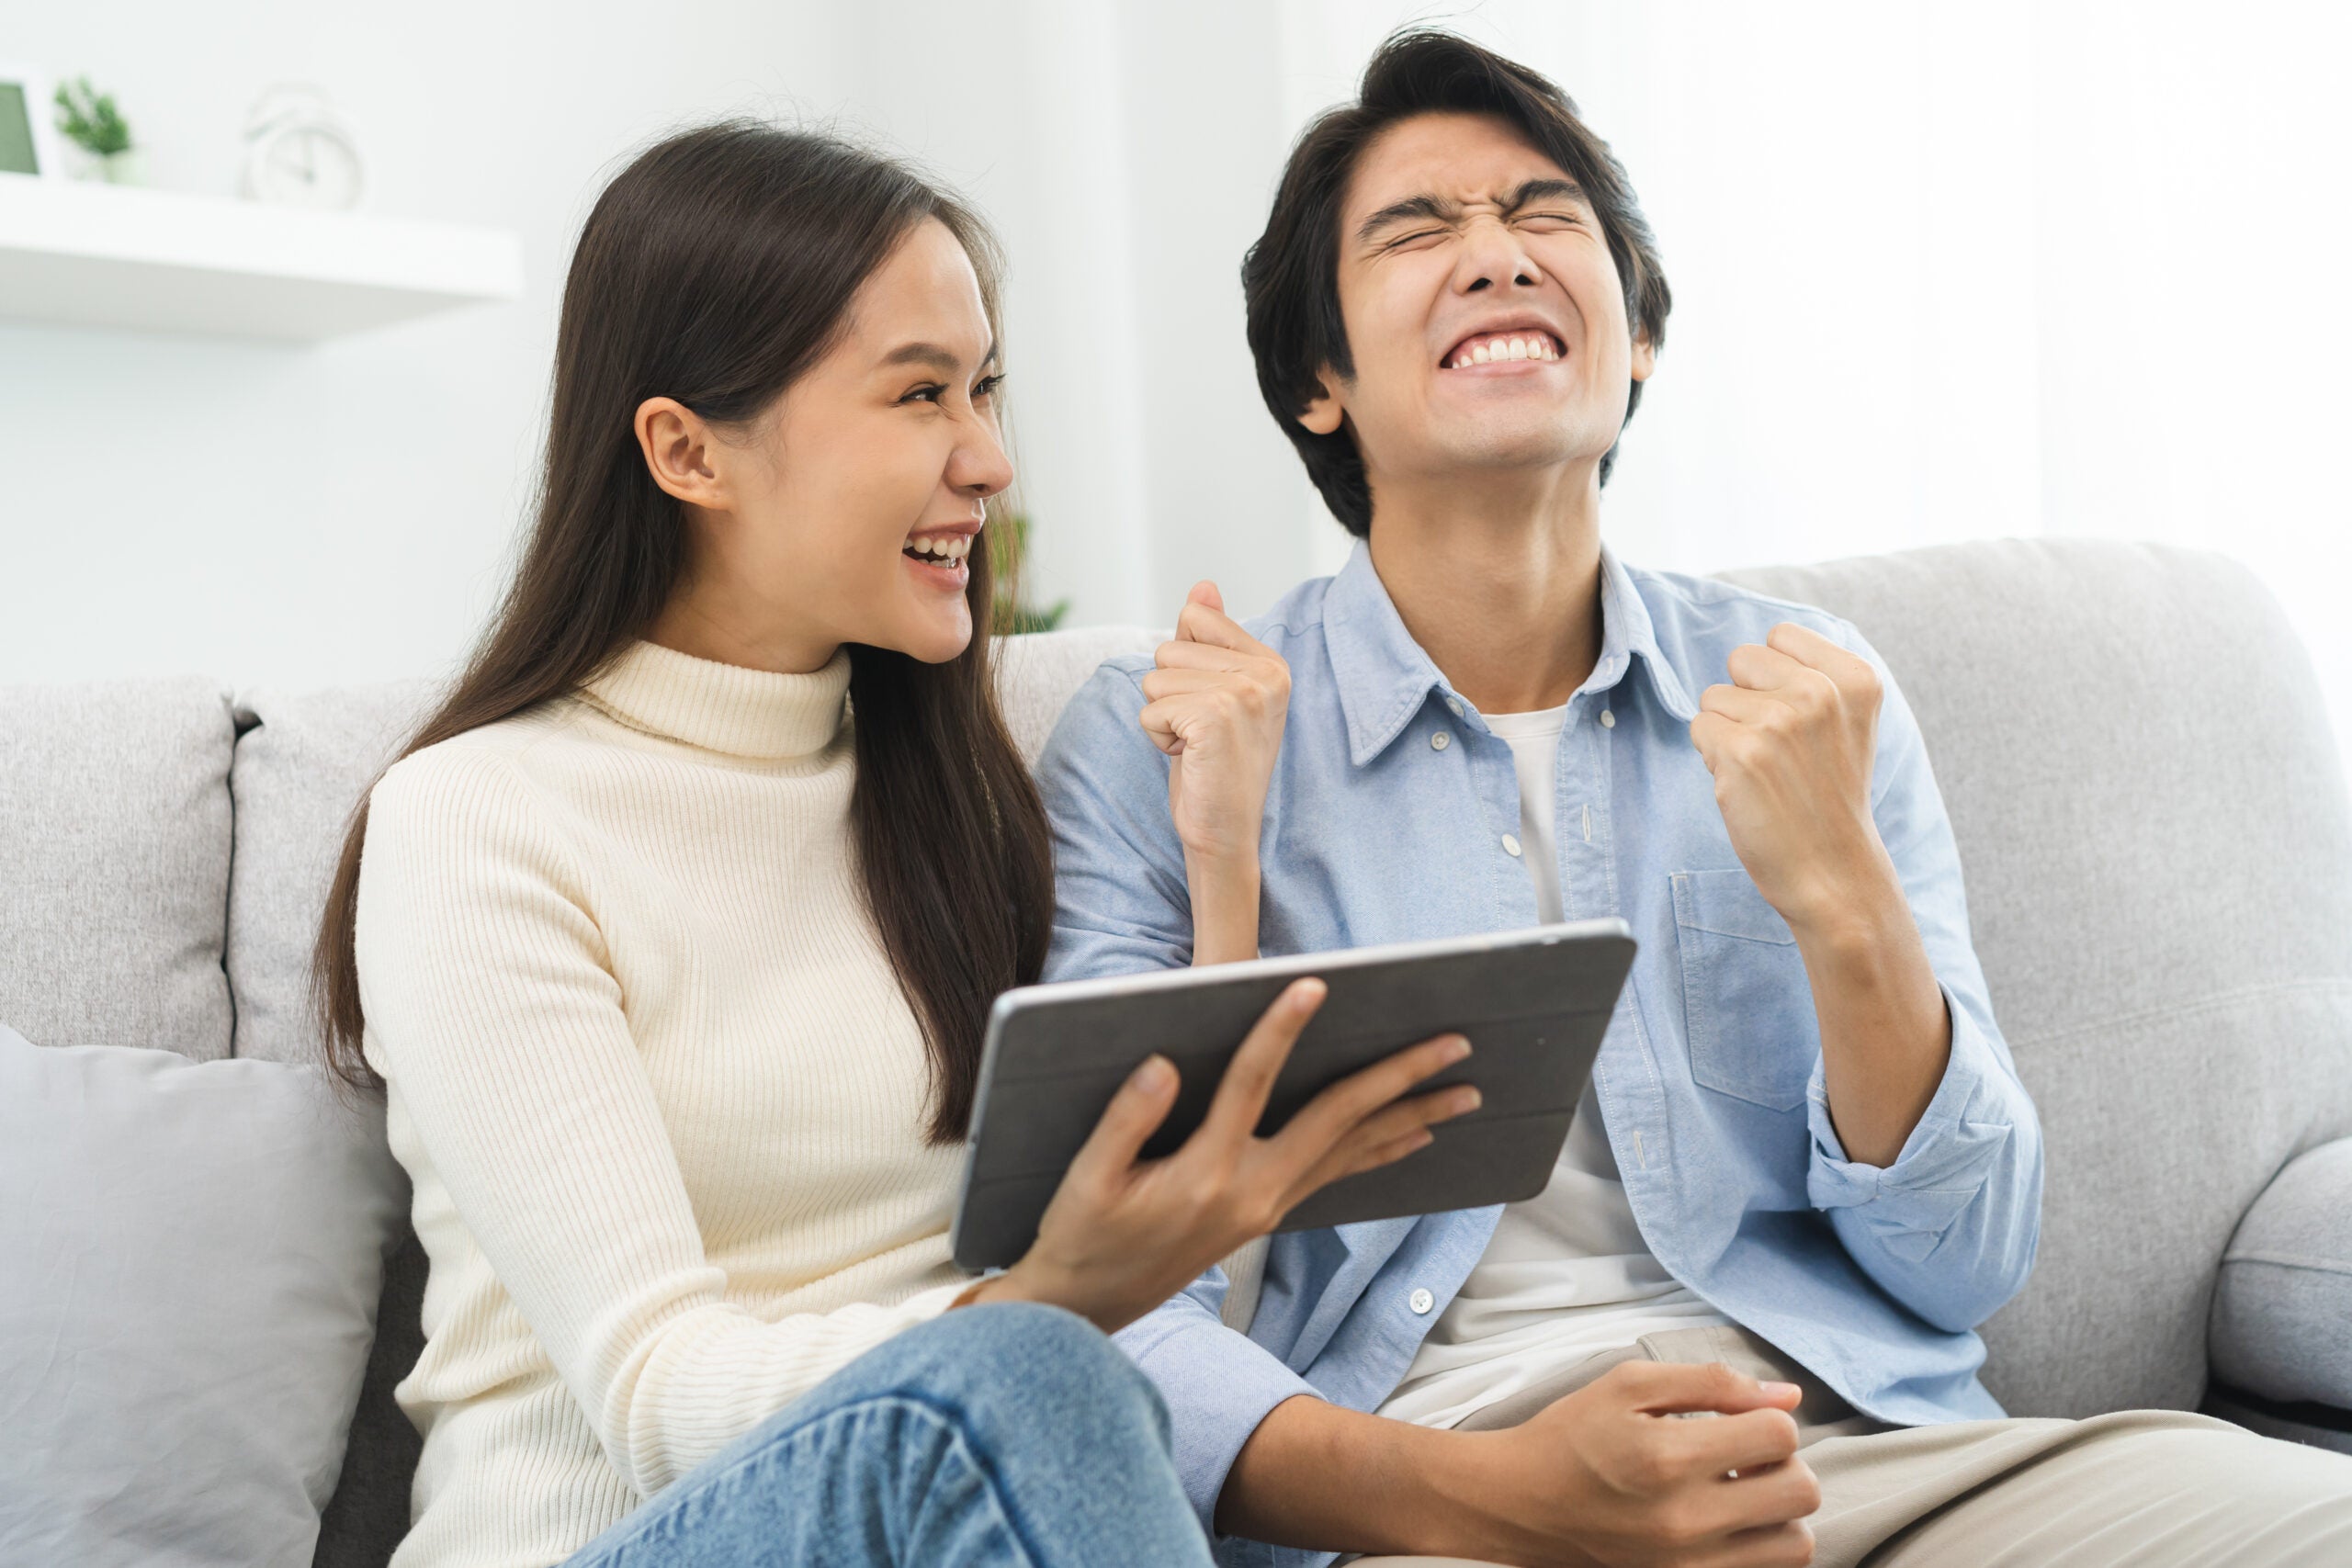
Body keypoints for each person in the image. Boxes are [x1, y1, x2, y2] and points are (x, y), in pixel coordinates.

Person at [1036, 28, 2352, 1568]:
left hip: (1870, 1451)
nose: (1497, 257)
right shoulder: (1169, 740)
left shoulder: (1811, 692)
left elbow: (1965, 1264)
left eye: (1546, 217)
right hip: (1450, 1495)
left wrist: (1842, 892)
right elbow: (1116, 1322)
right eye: (1417, 230)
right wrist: (1224, 872)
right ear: (1320, 381)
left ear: (1638, 335)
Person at [311, 122, 1477, 1568]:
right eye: (920, 393)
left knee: (1068, 1382)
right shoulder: (482, 822)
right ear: (686, 451)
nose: (988, 460)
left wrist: (1221, 869)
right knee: (1041, 1379)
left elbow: (1187, 1323)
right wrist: (1049, 1301)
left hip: (991, 1501)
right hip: (627, 1535)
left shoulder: (954, 790)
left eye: (984, 388)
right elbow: (657, 1398)